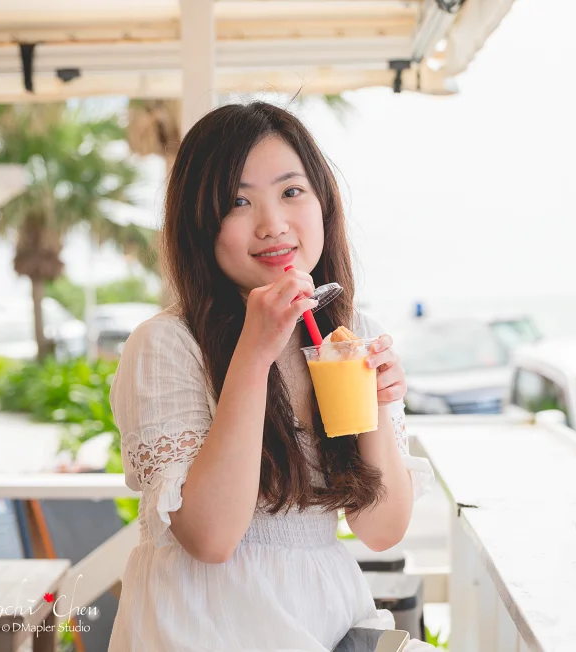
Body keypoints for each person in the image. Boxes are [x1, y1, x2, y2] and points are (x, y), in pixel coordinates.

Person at [108, 102, 436, 652]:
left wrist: (377, 403)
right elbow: (211, 539)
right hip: (204, 626)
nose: (273, 224)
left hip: (324, 619)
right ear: (199, 223)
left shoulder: (350, 333)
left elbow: (381, 530)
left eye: (291, 192)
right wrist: (254, 355)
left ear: (323, 203)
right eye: (238, 201)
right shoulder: (167, 344)